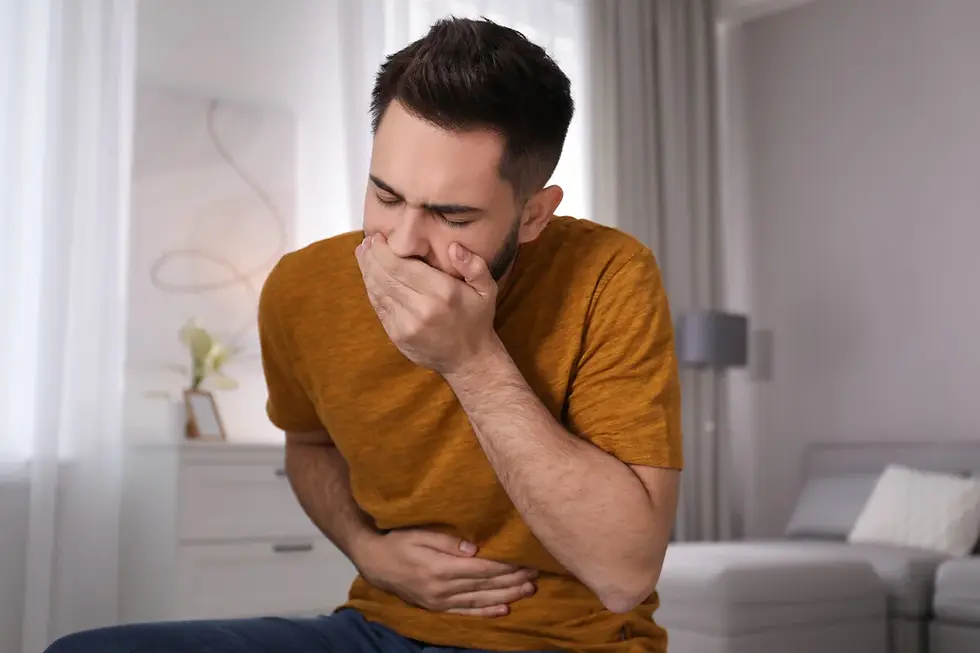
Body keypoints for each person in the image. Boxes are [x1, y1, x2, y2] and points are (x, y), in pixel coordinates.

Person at [45, 15, 682, 653]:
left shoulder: (609, 276)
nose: (403, 244)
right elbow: (309, 446)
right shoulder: (301, 289)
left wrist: (471, 361)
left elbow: (623, 574)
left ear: (535, 213)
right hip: (380, 627)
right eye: (385, 195)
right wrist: (366, 550)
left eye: (451, 214)